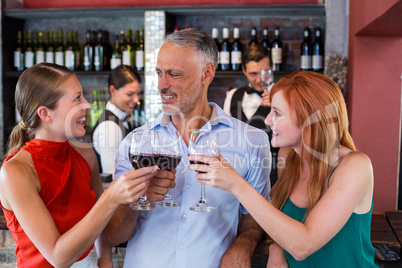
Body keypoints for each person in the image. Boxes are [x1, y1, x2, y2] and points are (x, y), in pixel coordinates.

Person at [103, 28, 271, 267]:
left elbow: (253, 218)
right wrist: (139, 198)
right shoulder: (135, 142)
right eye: (159, 73)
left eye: (174, 74)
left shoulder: (251, 142)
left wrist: (245, 243)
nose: (161, 85)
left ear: (207, 74)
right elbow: (113, 235)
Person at [189, 70, 377, 267]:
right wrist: (276, 247)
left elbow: (303, 245)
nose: (268, 120)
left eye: (277, 113)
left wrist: (236, 184)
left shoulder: (355, 166)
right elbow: (283, 226)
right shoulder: (288, 157)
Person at [0, 63, 162, 268]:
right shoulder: (15, 172)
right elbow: (58, 258)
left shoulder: (85, 155)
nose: (87, 104)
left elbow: (101, 224)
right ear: (45, 114)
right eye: (77, 98)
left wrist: (105, 260)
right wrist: (110, 197)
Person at [223, 44, 279, 186]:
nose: (260, 79)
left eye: (265, 71)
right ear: (244, 71)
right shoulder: (232, 96)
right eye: (253, 74)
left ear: (272, 67)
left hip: (274, 174)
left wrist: (277, 106)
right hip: (239, 176)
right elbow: (226, 138)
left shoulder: (284, 97)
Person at [92, 65, 142, 176]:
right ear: (112, 90)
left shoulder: (122, 118)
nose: (136, 100)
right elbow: (113, 176)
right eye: (130, 94)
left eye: (138, 93)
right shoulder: (109, 127)